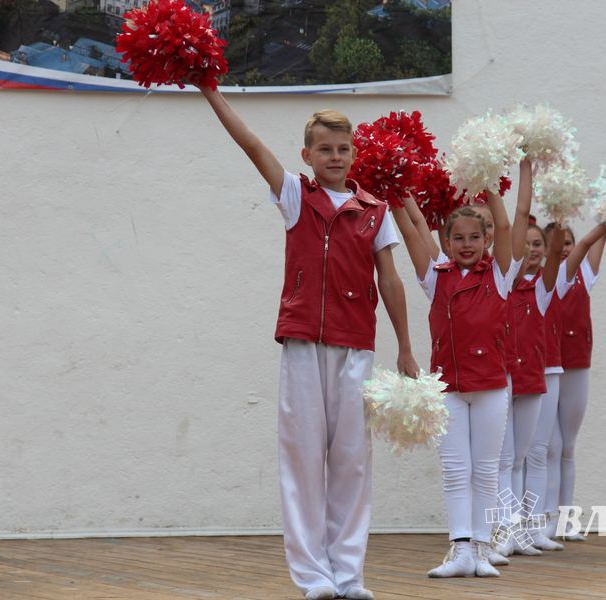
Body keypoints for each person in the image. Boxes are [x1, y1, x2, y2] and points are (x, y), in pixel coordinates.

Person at [198, 86, 419, 600]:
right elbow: (251, 145)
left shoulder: (376, 210)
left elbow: (390, 281)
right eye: (325, 149)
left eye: (343, 149)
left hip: (356, 348)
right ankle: (314, 578)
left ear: (354, 153)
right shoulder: (296, 194)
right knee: (301, 460)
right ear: (308, 156)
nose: (335, 157)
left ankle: (349, 575)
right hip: (302, 344)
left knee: (352, 462)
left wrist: (406, 347)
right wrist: (211, 93)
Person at [390, 158, 531, 578]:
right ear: (446, 242)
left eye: (475, 237)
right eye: (458, 238)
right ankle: (459, 549)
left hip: (490, 386)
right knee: (455, 470)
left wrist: (489, 184)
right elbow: (410, 230)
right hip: (448, 387)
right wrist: (395, 193)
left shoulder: (502, 274)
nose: (467, 244)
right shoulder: (436, 276)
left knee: (485, 469)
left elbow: (510, 225)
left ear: (487, 240)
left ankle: (483, 550)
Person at [497, 219, 567, 555]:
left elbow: (557, 254)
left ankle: (533, 527)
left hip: (532, 378)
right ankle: (507, 530)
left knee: (534, 454)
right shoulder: (496, 284)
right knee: (506, 459)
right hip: (502, 379)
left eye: (534, 244)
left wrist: (560, 215)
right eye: (520, 244)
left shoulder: (540, 287)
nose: (527, 251)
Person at [540, 222, 606, 541]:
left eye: (568, 242)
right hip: (547, 366)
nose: (566, 247)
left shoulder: (585, 274)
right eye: (558, 243)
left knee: (567, 447)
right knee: (548, 447)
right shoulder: (542, 281)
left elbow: (595, 243)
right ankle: (545, 518)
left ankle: (566, 520)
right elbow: (584, 243)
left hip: (576, 365)